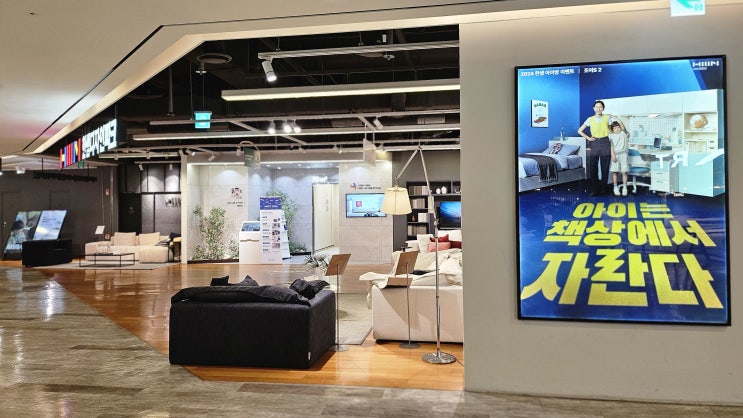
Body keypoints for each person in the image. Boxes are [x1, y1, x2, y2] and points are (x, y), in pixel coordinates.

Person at [578, 100, 626, 196]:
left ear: (603, 108)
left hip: (605, 142)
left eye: (600, 107)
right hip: (594, 143)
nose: (598, 108)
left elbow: (620, 126)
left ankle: (604, 189)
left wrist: (613, 116)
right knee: (593, 167)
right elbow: (579, 131)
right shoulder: (590, 119)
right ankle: (595, 190)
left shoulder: (607, 118)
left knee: (605, 167)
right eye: (597, 107)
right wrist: (589, 138)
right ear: (594, 108)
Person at [608, 120, 631, 196]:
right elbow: (611, 146)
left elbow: (622, 125)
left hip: (624, 154)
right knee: (615, 172)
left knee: (624, 172)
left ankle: (625, 187)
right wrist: (612, 155)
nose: (617, 129)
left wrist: (615, 118)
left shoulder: (623, 133)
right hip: (615, 154)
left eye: (618, 127)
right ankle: (615, 187)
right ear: (612, 129)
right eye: (615, 128)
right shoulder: (611, 135)